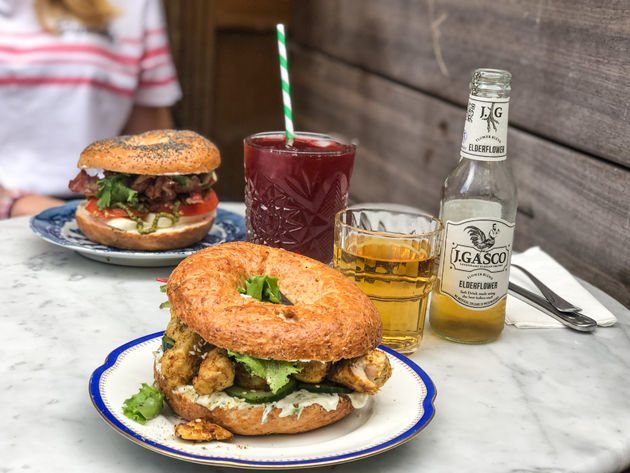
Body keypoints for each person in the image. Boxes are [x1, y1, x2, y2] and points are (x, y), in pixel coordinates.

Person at [0, 0, 182, 218]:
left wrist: (158, 204)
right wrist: (10, 202)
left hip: (101, 208)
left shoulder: (137, 5)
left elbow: (150, 138)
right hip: (11, 210)